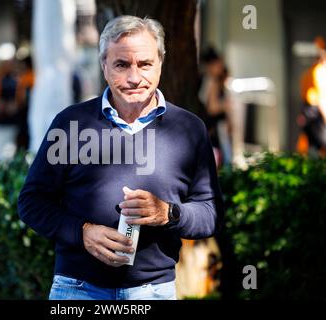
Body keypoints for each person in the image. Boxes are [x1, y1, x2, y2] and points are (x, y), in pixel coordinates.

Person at [17, 15, 224, 300]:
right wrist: (83, 232)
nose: (134, 77)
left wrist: (168, 213)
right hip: (77, 289)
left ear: (161, 64)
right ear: (104, 66)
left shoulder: (190, 129)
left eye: (145, 64)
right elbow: (31, 202)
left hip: (154, 291)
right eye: (121, 64)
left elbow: (211, 214)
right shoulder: (70, 123)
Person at [199, 47, 233, 168]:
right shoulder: (212, 80)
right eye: (218, 63)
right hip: (213, 129)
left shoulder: (209, 79)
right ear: (211, 65)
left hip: (212, 129)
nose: (220, 66)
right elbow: (212, 107)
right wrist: (226, 106)